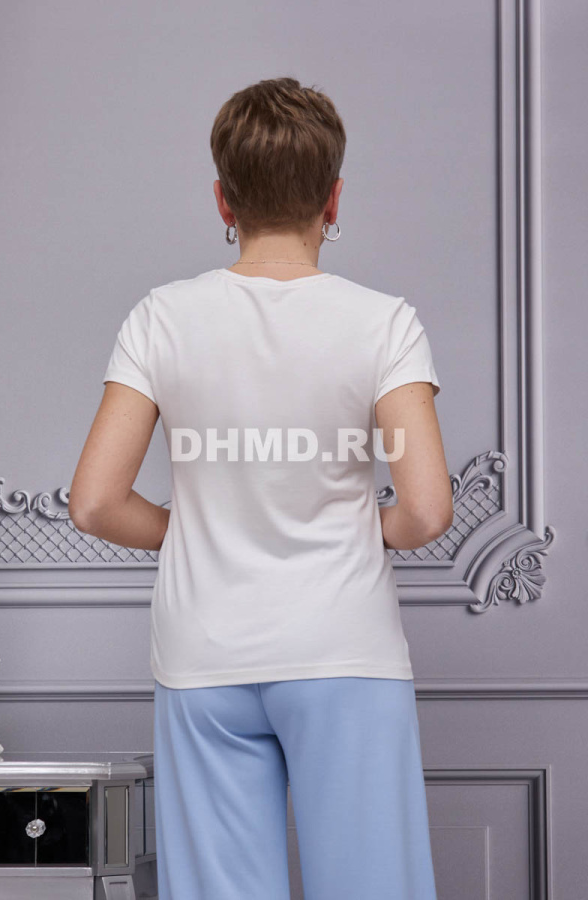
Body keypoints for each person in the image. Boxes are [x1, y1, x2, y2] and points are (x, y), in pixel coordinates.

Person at [69, 76, 452, 900]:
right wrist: (364, 527)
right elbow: (425, 510)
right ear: (333, 197)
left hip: (204, 655)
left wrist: (188, 527)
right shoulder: (383, 323)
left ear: (224, 199)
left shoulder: (161, 318)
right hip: (343, 649)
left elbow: (95, 502)